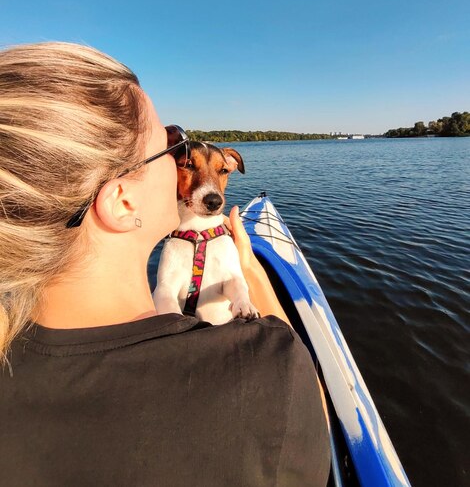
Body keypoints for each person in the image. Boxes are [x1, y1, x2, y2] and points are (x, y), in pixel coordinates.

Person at [0, 42, 330, 486]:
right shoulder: (271, 369)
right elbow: (315, 429)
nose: (183, 154)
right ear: (121, 199)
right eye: (170, 145)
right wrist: (252, 275)